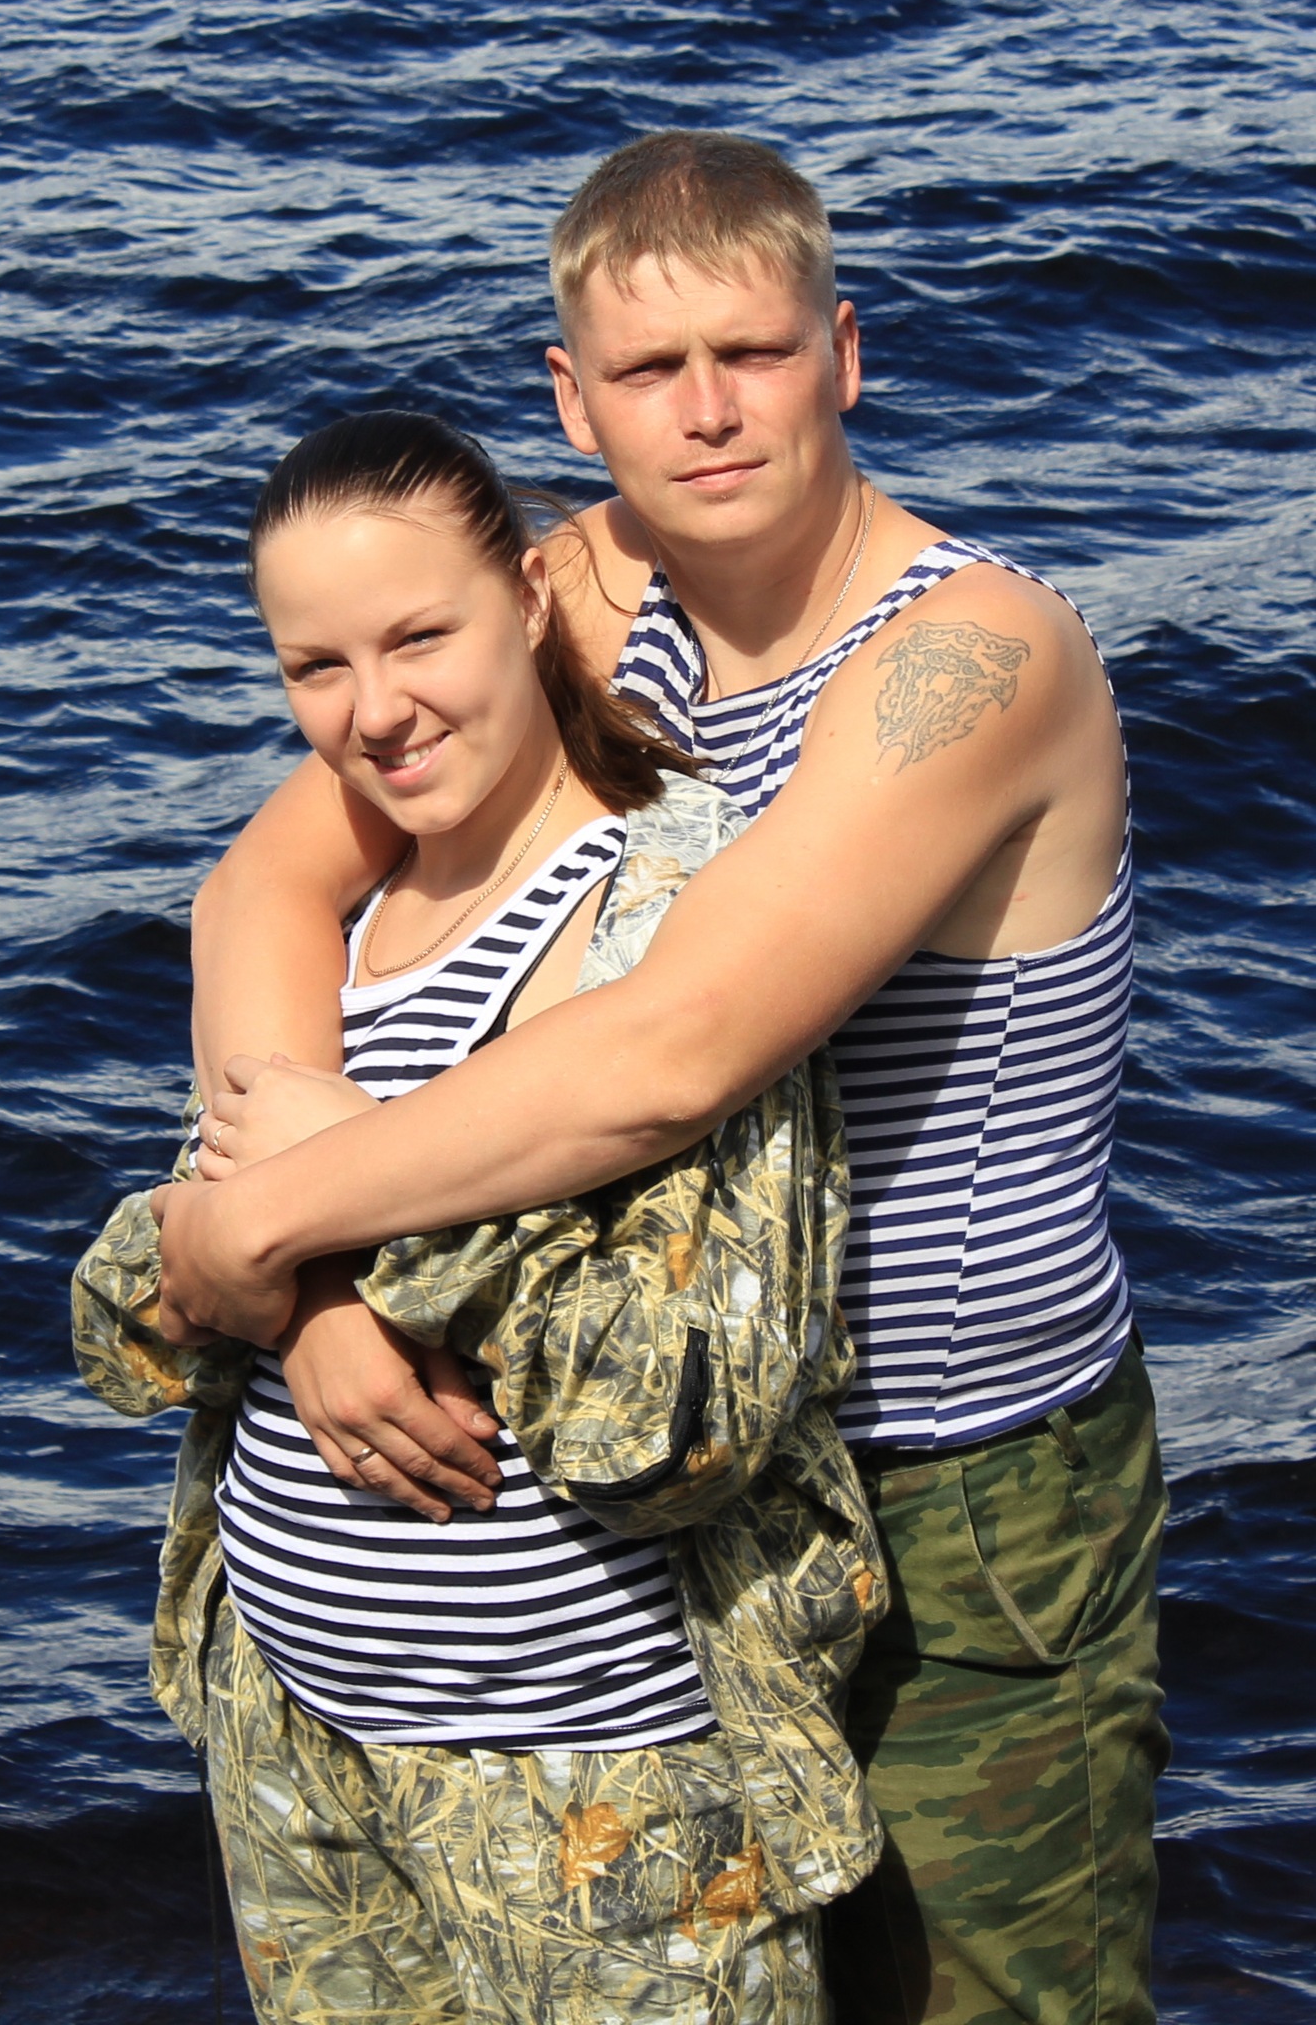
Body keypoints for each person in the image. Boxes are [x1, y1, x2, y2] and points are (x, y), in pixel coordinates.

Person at [153, 134, 1169, 2024]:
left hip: (957, 1484)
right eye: (648, 370)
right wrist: (311, 1306)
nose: (707, 413)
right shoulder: (579, 593)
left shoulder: (971, 656)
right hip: (684, 1495)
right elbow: (263, 889)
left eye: (754, 354)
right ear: (574, 399)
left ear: (841, 354)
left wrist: (255, 1224)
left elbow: (671, 1056)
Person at [74, 407, 890, 2025]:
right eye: (316, 667)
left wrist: (344, 1205)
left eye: (417, 638)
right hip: (297, 1744)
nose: (374, 711)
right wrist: (308, 1300)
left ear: (525, 600)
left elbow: (679, 1422)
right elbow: (135, 1322)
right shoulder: (338, 931)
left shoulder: (672, 912)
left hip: (600, 1791)